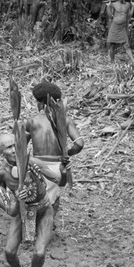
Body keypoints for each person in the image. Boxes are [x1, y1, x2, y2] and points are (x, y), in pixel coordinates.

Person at [0, 133, 58, 267]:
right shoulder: (3, 173)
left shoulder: (33, 163)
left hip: (43, 209)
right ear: (1, 153)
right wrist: (12, 199)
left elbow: (59, 180)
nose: (14, 149)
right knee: (9, 251)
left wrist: (64, 171)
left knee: (39, 252)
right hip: (23, 212)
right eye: (9, 147)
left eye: (16, 144)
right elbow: (1, 190)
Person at [25, 81, 84, 217]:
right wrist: (67, 154)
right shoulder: (65, 120)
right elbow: (79, 143)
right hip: (58, 166)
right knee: (54, 198)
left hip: (36, 165)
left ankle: (32, 228)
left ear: (39, 103)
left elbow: (21, 146)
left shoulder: (32, 121)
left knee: (34, 197)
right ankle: (49, 224)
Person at [106, 0, 134, 67]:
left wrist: (133, 6)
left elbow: (129, 15)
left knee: (126, 45)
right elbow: (110, 16)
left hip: (122, 27)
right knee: (112, 45)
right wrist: (108, 7)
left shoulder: (128, 4)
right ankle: (112, 62)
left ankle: (133, 61)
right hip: (114, 27)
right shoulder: (114, 4)